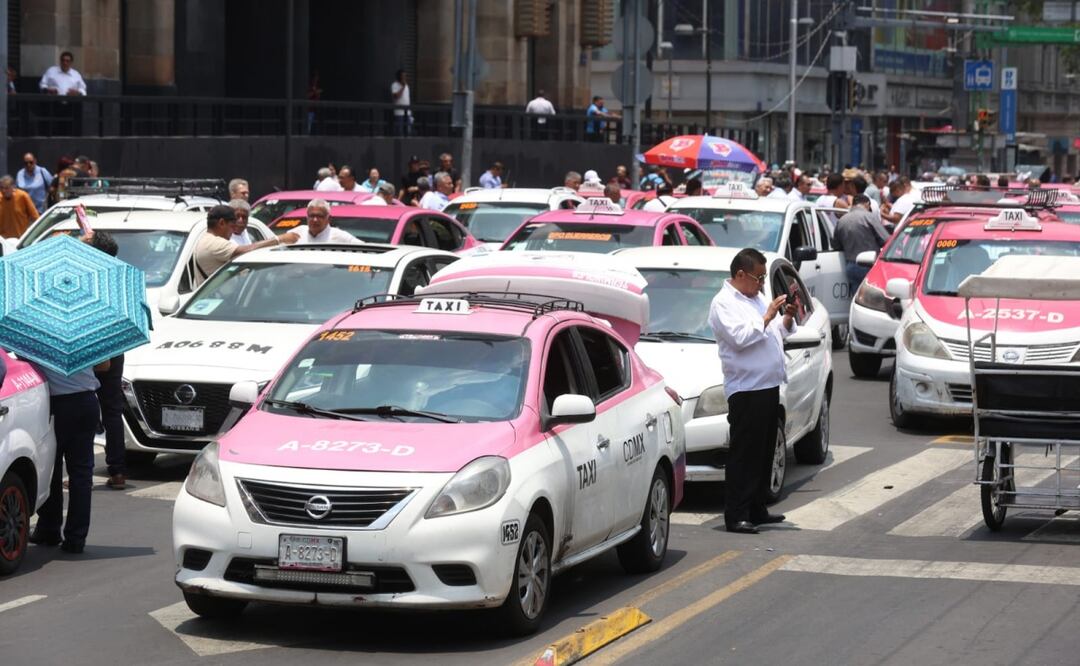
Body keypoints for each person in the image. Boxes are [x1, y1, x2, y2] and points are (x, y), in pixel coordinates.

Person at [708, 248, 796, 534]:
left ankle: (757, 508)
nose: (761, 284)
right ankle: (736, 514)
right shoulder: (723, 303)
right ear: (740, 274)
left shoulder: (755, 298)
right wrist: (768, 316)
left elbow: (773, 335)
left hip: (768, 385)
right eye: (758, 278)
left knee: (764, 450)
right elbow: (739, 339)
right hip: (746, 388)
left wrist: (784, 319)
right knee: (745, 453)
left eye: (763, 278)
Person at [28, 361, 102, 553]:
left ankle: (49, 528)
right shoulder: (85, 332)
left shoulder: (39, 335)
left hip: (56, 405)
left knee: (51, 468)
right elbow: (105, 365)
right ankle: (76, 538)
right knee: (81, 474)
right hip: (86, 401)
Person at [82, 230, 129, 490]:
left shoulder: (85, 278)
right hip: (113, 344)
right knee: (111, 410)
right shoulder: (117, 279)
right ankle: (118, 471)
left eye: (85, 240)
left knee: (85, 404)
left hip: (90, 345)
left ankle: (84, 469)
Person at [191, 205, 295, 288]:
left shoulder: (205, 239)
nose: (232, 232)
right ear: (222, 223)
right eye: (231, 227)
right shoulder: (213, 243)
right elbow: (245, 250)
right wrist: (279, 239)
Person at [833, 195, 889, 291]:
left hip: (850, 266)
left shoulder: (842, 220)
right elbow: (886, 240)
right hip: (869, 267)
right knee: (871, 301)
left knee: (856, 298)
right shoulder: (869, 217)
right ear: (867, 204)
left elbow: (836, 245)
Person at [293, 199, 361, 244]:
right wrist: (282, 239)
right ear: (307, 217)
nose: (315, 220)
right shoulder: (298, 233)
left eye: (320, 216)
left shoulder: (340, 236)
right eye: (312, 216)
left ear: (329, 219)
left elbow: (365, 249)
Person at [391, 69, 412, 136]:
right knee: (399, 132)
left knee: (408, 131)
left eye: (405, 76)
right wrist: (402, 87)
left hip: (407, 112)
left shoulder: (407, 86)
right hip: (399, 113)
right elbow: (396, 96)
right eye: (402, 76)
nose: (404, 78)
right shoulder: (394, 85)